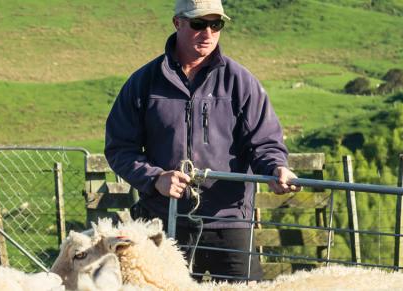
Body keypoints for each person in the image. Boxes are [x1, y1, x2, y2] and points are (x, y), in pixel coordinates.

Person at [104, 0, 301, 283]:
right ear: (177, 23)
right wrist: (155, 178)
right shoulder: (144, 83)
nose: (208, 32)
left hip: (230, 220)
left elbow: (265, 142)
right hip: (165, 221)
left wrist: (276, 167)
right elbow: (120, 147)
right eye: (198, 24)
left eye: (216, 24)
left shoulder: (240, 82)